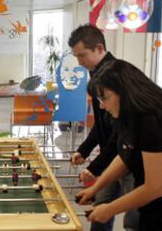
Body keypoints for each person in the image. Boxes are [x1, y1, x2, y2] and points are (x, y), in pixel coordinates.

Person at [76, 59, 162, 230]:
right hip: (153, 208)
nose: (101, 106)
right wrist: (96, 188)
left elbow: (156, 187)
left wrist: (109, 209)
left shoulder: (153, 119)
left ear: (123, 91)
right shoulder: (132, 114)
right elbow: (125, 156)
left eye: (104, 98)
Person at [68, 24, 138, 231]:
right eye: (76, 57)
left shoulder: (117, 76)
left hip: (132, 159)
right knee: (100, 211)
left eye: (82, 56)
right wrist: (85, 149)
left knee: (135, 220)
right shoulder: (96, 74)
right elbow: (103, 124)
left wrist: (95, 167)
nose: (80, 63)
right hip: (114, 155)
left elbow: (121, 133)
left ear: (99, 48)